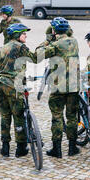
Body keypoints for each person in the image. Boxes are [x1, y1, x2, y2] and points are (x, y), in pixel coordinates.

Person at [36, 17, 80, 158]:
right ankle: (72, 147)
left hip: (58, 87)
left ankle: (57, 149)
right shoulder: (74, 41)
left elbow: (38, 54)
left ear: (54, 31)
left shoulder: (55, 45)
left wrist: (48, 39)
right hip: (73, 85)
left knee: (57, 117)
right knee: (72, 117)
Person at [0, 23, 37, 158]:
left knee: (5, 115)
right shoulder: (21, 47)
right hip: (14, 85)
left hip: (2, 83)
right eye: (23, 33)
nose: (25, 35)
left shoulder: (4, 47)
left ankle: (5, 147)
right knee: (18, 115)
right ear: (17, 35)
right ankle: (21, 147)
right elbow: (35, 58)